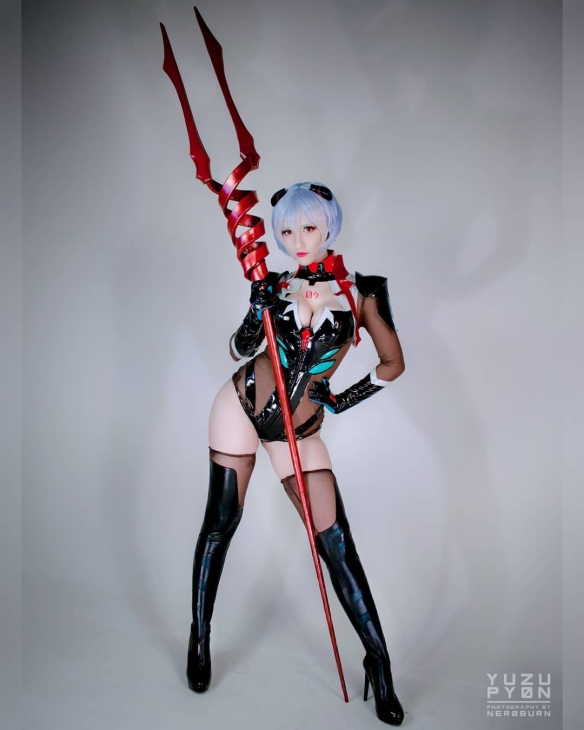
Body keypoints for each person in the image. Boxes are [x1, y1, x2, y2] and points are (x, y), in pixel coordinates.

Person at [187, 182, 406, 726]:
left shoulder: (363, 292)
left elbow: (392, 362)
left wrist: (342, 400)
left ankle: (379, 663)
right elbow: (240, 348)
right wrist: (253, 309)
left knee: (337, 545)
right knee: (221, 521)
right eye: (286, 230)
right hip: (242, 404)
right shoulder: (275, 283)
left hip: (298, 430)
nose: (297, 240)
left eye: (308, 227)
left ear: (329, 225)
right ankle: (200, 636)